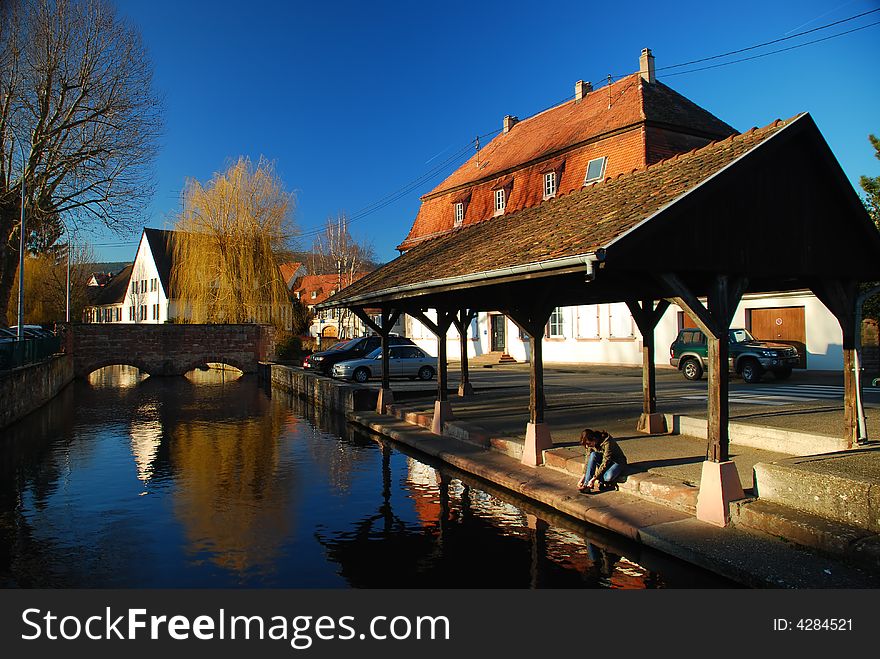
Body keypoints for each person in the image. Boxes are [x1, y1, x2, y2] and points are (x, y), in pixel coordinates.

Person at [577, 428, 627, 493]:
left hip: (616, 461)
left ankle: (602, 480)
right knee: (593, 455)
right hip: (604, 461)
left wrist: (594, 478)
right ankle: (586, 485)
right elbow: (588, 460)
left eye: (589, 444)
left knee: (608, 477)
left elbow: (606, 461)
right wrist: (582, 478)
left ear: (594, 439)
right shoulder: (590, 445)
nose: (588, 446)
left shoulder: (607, 442)